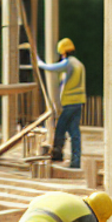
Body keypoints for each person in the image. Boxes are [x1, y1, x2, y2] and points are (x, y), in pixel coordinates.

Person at [38, 38, 86, 168]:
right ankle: (76, 162)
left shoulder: (68, 63)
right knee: (74, 132)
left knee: (60, 128)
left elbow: (52, 68)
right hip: (79, 102)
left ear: (63, 51)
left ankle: (57, 154)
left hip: (70, 102)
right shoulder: (79, 64)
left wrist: (39, 63)